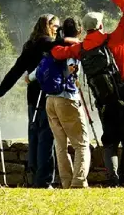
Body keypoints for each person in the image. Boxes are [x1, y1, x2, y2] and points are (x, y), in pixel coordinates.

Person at [51, 0, 124, 186]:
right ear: (100, 26)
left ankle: (112, 179)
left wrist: (62, 38)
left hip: (103, 101)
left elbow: (57, 52)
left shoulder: (80, 48)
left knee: (109, 142)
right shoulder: (115, 39)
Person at [0, 14, 70, 188]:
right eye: (56, 26)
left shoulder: (30, 45)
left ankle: (33, 176)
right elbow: (62, 45)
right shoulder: (46, 43)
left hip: (32, 99)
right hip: (47, 97)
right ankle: (44, 181)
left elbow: (16, 71)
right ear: (48, 26)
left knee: (34, 136)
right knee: (46, 139)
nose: (58, 29)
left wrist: (0, 92)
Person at [36, 18, 91, 189]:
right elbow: (72, 71)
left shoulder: (54, 47)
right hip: (67, 98)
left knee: (61, 145)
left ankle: (66, 182)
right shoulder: (71, 49)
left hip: (50, 100)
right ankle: (79, 181)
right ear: (79, 31)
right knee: (81, 142)